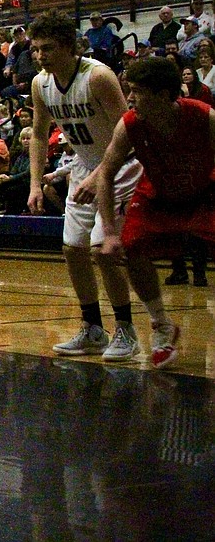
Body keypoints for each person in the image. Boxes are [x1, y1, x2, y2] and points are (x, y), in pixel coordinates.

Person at [26, 11, 142, 360]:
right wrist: (34, 183)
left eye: (47, 48)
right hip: (83, 165)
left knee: (102, 252)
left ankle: (126, 329)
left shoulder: (99, 77)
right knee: (72, 249)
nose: (40, 56)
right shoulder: (40, 84)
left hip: (119, 166)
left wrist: (99, 175)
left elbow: (128, 132)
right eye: (36, 49)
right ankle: (93, 328)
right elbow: (38, 134)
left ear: (69, 47)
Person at [98, 57, 213, 369]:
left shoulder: (204, 117)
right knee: (131, 249)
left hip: (204, 192)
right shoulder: (129, 124)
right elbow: (105, 174)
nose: (130, 98)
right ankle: (162, 325)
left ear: (163, 95)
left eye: (136, 91)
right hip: (158, 194)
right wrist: (109, 233)